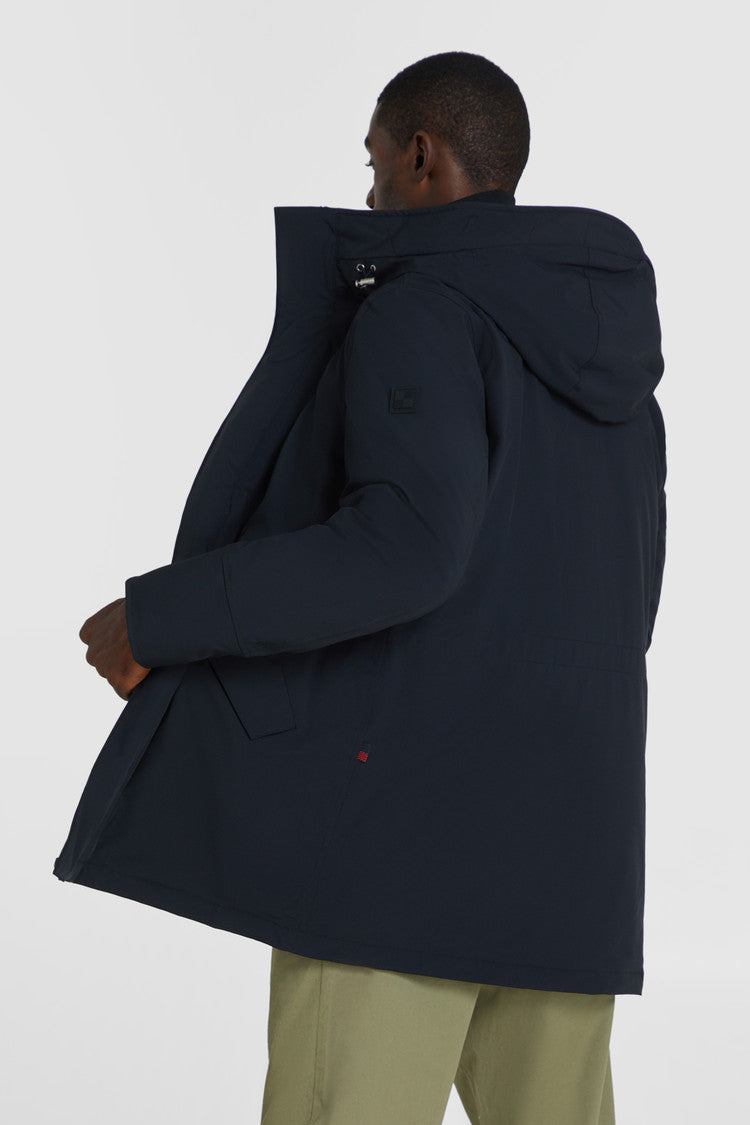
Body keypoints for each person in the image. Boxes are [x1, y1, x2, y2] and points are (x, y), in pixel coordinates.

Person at [72, 50, 666, 1125]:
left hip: (402, 847)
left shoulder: (421, 311)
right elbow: (634, 599)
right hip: (572, 850)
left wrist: (160, 615)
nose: (372, 194)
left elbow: (402, 549)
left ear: (422, 156)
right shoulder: (618, 374)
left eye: (375, 165)